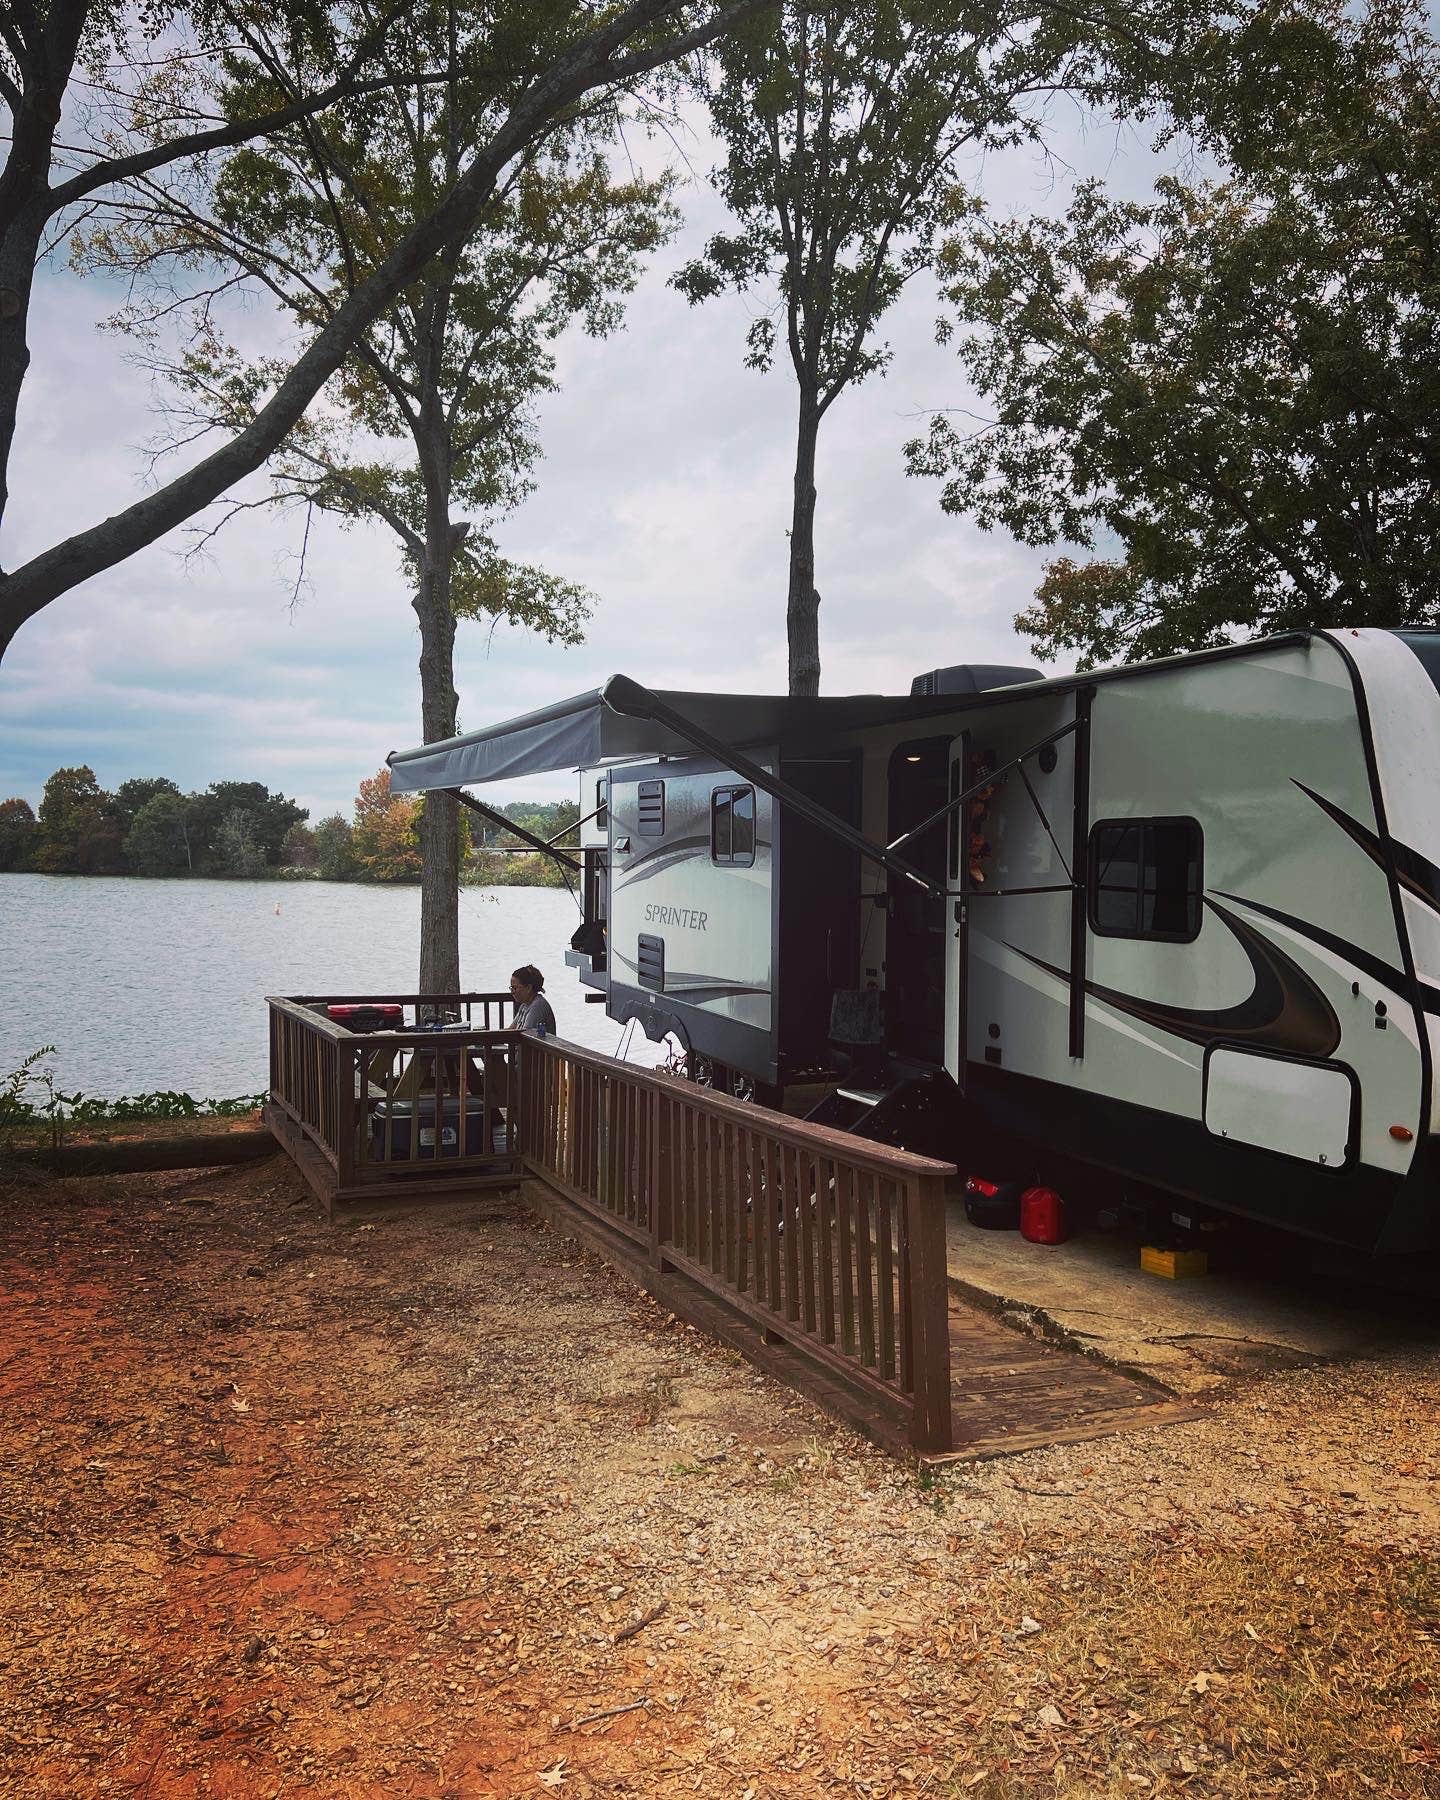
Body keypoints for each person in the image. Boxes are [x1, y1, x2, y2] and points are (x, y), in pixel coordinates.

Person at [510, 964, 557, 1036]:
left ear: (529, 988)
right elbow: (511, 1030)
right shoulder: (524, 1005)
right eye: (511, 988)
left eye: (515, 988)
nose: (512, 992)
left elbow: (525, 1035)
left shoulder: (537, 1006)